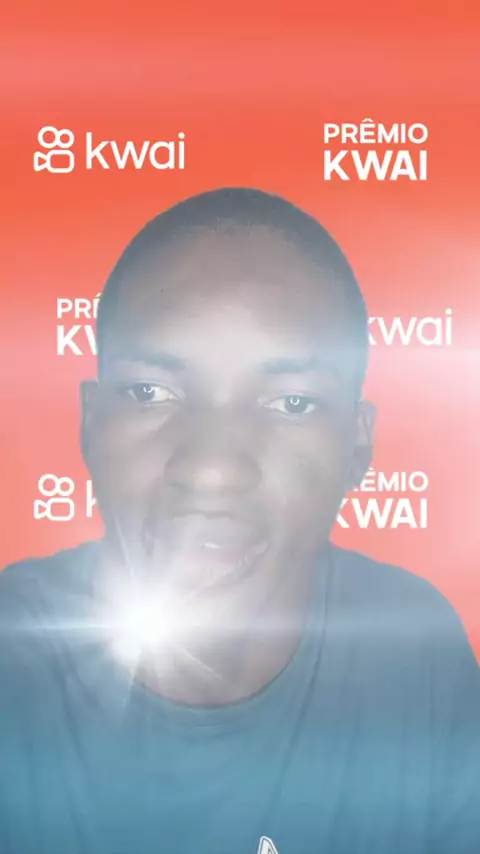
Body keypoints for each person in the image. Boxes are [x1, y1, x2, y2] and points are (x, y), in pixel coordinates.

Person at [0, 187, 478, 854]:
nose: (212, 469)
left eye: (292, 403)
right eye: (149, 392)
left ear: (357, 446)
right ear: (90, 423)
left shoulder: (415, 655)